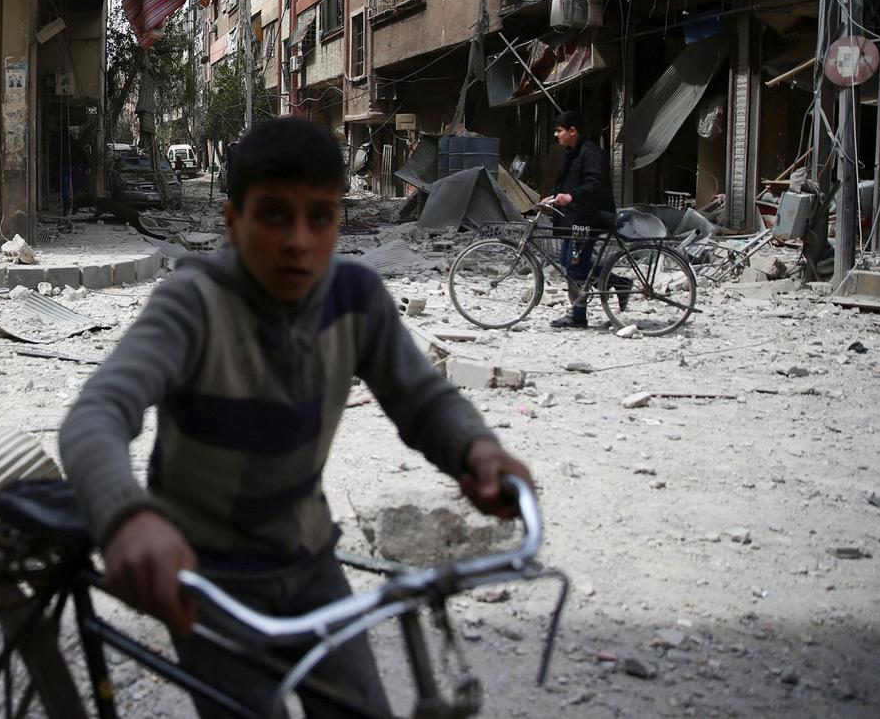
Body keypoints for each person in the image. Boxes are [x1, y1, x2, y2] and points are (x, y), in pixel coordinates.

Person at [59, 116, 533, 717]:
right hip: (208, 579)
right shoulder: (193, 303)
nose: (298, 241)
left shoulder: (356, 298)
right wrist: (127, 518)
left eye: (321, 217)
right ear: (234, 221)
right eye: (274, 215)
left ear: (341, 220)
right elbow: (96, 415)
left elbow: (423, 398)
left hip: (310, 562)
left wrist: (476, 449)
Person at [544, 109, 617, 329]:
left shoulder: (591, 153)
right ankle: (618, 282)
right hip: (575, 220)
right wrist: (555, 197)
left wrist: (571, 196)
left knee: (575, 265)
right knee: (569, 261)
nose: (556, 135)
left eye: (559, 131)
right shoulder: (572, 152)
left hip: (589, 220)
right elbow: (568, 184)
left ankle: (578, 316)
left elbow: (595, 185)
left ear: (572, 131)